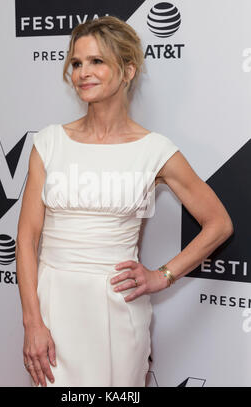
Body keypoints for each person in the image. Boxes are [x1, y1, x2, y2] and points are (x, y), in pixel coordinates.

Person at [15, 16, 234, 387]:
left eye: (97, 61)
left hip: (118, 308)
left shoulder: (155, 150)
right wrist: (32, 322)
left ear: (128, 69)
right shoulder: (48, 143)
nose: (84, 72)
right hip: (53, 306)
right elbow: (26, 238)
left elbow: (219, 224)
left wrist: (161, 276)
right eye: (77, 63)